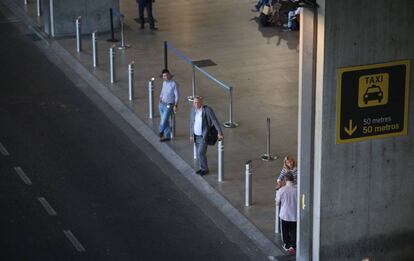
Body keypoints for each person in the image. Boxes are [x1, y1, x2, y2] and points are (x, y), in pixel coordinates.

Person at [189, 96, 224, 176]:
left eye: (198, 102)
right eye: (195, 102)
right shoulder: (193, 110)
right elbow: (191, 123)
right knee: (200, 154)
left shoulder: (207, 110)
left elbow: (214, 120)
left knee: (200, 152)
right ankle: (202, 168)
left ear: (201, 103)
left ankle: (205, 169)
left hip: (204, 136)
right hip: (196, 136)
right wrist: (191, 135)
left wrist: (220, 132)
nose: (196, 104)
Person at [275, 172, 297, 253]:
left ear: (285, 179)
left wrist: (277, 190)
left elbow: (277, 203)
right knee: (294, 231)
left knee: (285, 232)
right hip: (295, 215)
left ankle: (287, 245)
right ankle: (293, 246)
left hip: (285, 215)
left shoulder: (281, 190)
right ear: (293, 179)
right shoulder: (297, 190)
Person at [159, 69, 179, 142]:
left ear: (170, 75)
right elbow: (162, 92)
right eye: (164, 76)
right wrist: (160, 98)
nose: (166, 77)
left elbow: (177, 96)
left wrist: (176, 105)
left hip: (169, 105)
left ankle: (161, 132)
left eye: (167, 75)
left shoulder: (174, 84)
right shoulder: (164, 83)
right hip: (162, 104)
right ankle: (167, 136)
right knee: (164, 121)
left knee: (163, 121)